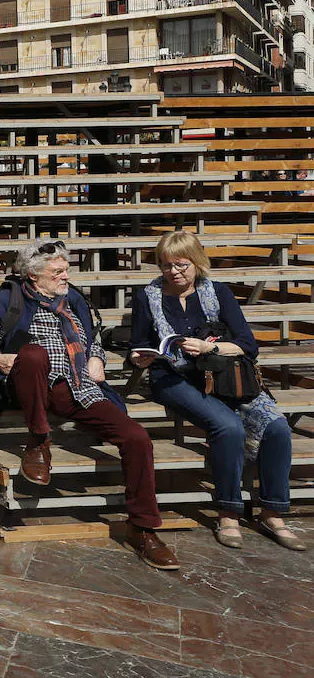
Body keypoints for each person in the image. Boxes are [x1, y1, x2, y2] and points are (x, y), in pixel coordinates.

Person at [0, 240, 178, 570]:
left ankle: (143, 528)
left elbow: (93, 338)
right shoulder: (8, 299)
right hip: (28, 387)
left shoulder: (73, 299)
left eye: (67, 269)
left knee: (137, 438)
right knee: (33, 355)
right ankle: (38, 441)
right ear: (34, 276)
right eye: (58, 271)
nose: (66, 276)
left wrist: (96, 357)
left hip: (79, 387)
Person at [130, 231, 303, 551]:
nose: (173, 272)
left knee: (277, 428)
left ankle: (272, 512)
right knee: (228, 427)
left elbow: (248, 345)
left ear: (197, 262)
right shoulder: (146, 297)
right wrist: (138, 356)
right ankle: (228, 512)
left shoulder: (218, 292)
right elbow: (137, 343)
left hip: (225, 375)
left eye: (181, 265)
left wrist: (212, 349)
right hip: (172, 377)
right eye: (166, 266)